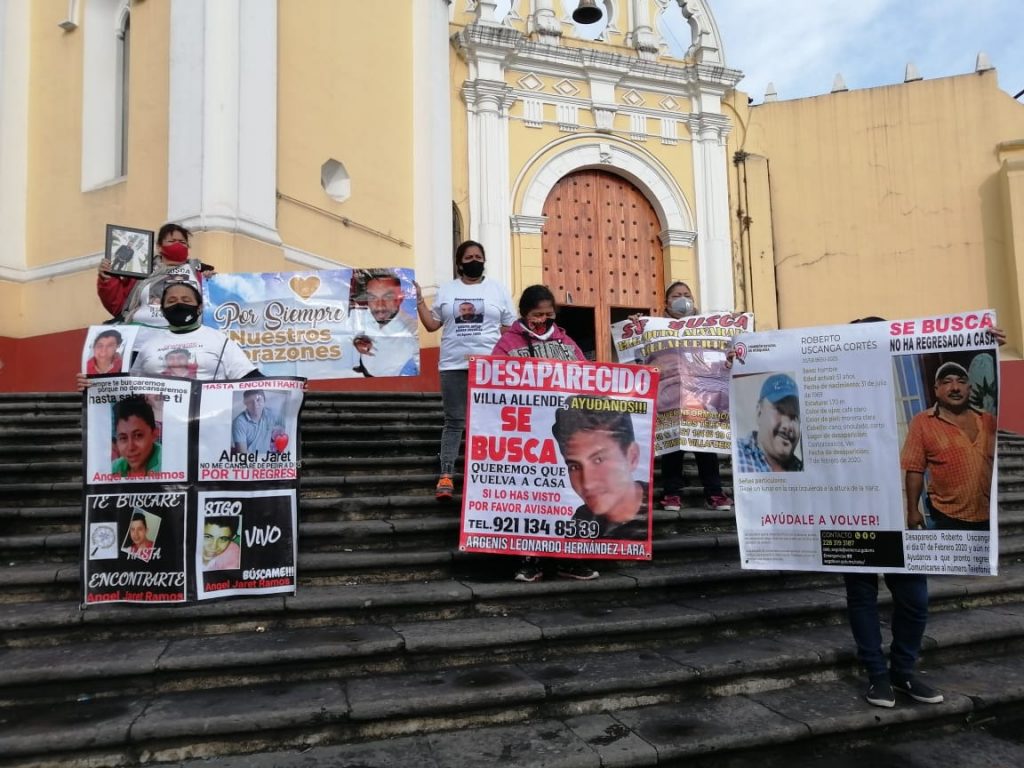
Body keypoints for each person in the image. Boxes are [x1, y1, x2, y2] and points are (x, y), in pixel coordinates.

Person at [491, 285, 596, 582]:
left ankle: (570, 557)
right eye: (537, 315)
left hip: (564, 436)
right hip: (525, 436)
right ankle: (530, 558)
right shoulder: (508, 343)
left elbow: (586, 375)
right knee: (531, 497)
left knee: (565, 497)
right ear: (524, 313)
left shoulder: (566, 342)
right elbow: (492, 381)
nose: (543, 320)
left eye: (549, 315)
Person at [414, 240, 516, 501]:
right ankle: (446, 475)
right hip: (453, 365)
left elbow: (509, 330)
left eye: (478, 256)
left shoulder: (498, 290)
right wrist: (418, 303)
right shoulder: (448, 290)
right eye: (468, 257)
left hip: (489, 367)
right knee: (454, 421)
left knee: (491, 422)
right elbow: (432, 325)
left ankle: (488, 475)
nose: (474, 260)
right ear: (459, 263)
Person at [632, 282, 734, 512]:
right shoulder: (652, 330)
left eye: (687, 295)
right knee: (672, 449)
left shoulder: (712, 329)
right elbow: (636, 356)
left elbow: (723, 357)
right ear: (666, 302)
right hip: (669, 397)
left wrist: (730, 357)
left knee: (706, 448)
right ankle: (671, 494)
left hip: (702, 398)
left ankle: (715, 493)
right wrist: (635, 329)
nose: (682, 299)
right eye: (676, 295)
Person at [76, 282, 260, 390]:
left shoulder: (220, 341)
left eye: (186, 300)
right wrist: (94, 386)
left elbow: (252, 379)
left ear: (199, 308)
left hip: (209, 433)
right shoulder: (149, 346)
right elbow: (127, 389)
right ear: (163, 310)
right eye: (171, 301)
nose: (179, 304)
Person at [902, 361, 997, 531]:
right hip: (947, 517)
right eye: (947, 382)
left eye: (961, 381)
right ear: (936, 389)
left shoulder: (988, 420)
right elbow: (914, 469)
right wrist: (912, 510)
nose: (955, 387)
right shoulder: (922, 422)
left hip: (992, 514)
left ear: (969, 388)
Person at [551, 403, 649, 541]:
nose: (587, 484)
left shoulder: (654, 512)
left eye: (598, 460)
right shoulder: (582, 517)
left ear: (632, 457)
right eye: (574, 466)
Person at [96, 222, 214, 326]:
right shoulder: (141, 272)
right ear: (159, 247)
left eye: (182, 242)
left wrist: (212, 281)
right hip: (141, 337)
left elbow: (213, 306)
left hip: (184, 337)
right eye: (172, 241)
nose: (177, 244)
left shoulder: (198, 273)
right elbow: (117, 305)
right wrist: (108, 278)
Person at [349, 270, 419, 377]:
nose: (379, 306)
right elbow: (358, 331)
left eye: (388, 297)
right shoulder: (365, 313)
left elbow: (425, 367)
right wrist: (357, 341)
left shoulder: (414, 331)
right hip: (364, 370)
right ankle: (362, 367)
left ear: (400, 298)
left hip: (384, 382)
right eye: (372, 297)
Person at [735, 373, 803, 472]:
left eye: (794, 416)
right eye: (780, 410)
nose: (788, 425)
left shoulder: (802, 469)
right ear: (759, 412)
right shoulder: (738, 453)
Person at [111, 396, 161, 478]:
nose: (131, 447)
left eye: (138, 435)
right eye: (123, 438)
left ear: (154, 434)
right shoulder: (115, 468)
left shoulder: (167, 466)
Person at [233, 389, 286, 454]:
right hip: (251, 461)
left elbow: (289, 431)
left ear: (264, 401)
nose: (255, 405)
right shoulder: (239, 422)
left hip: (270, 458)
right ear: (245, 403)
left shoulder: (274, 415)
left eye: (258, 400)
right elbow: (242, 455)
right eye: (250, 401)